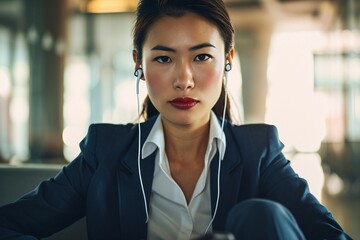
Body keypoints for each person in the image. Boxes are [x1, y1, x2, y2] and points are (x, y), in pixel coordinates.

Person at [0, 0, 352, 239]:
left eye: (201, 56)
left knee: (260, 215)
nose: (184, 79)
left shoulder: (257, 152)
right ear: (139, 63)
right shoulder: (105, 152)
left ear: (227, 58)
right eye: (164, 59)